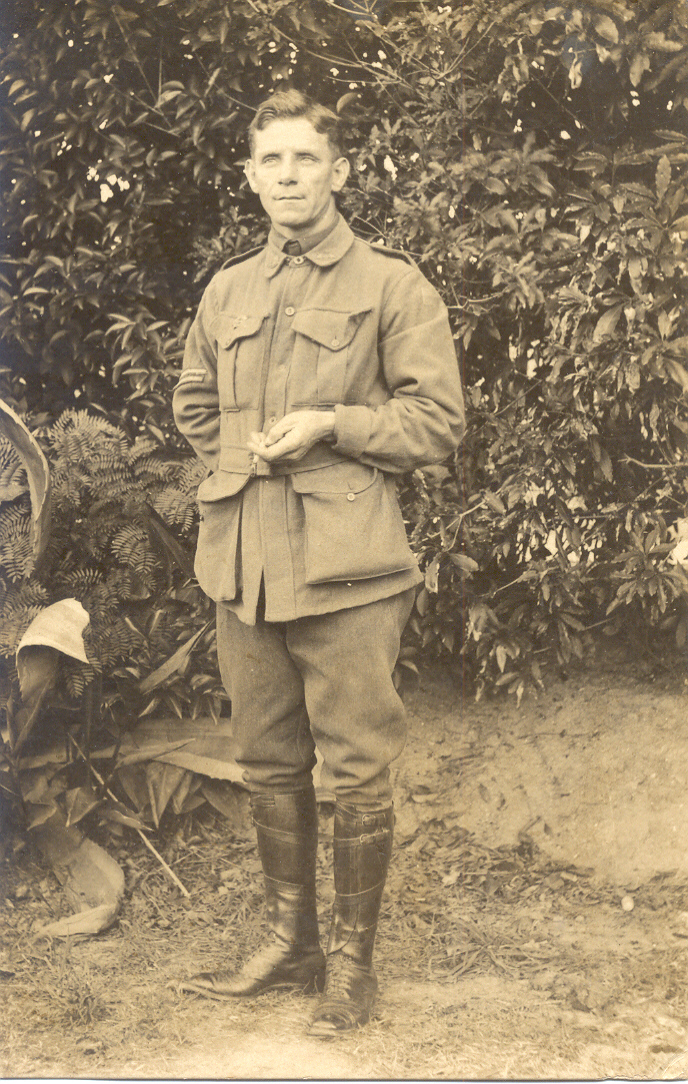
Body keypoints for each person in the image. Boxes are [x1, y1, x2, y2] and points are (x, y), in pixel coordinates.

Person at [172, 88, 464, 1037]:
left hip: (348, 567)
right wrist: (240, 456)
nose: (288, 178)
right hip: (242, 562)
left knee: (355, 769)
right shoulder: (227, 290)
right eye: (272, 162)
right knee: (265, 759)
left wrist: (331, 427)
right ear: (251, 176)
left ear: (340, 172)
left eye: (306, 160)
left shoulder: (392, 285)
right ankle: (289, 940)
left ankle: (352, 966)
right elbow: (193, 399)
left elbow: (435, 424)